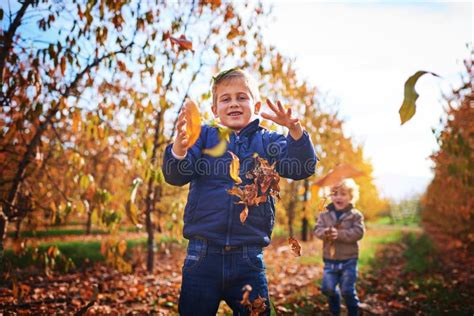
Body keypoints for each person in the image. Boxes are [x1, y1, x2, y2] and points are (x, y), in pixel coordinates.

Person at [162, 68, 317, 315]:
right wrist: (178, 152)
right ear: (215, 110)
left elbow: (303, 168)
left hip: (248, 258)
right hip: (202, 255)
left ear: (255, 105)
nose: (234, 104)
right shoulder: (202, 137)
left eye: (241, 97)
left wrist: (296, 133)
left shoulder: (268, 141)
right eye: (226, 99)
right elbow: (176, 176)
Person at [314, 178, 365, 316]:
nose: (338, 197)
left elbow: (359, 232)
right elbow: (317, 230)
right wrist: (325, 233)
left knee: (347, 290)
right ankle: (335, 310)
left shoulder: (355, 215)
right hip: (330, 260)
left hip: (349, 259)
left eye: (343, 194)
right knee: (327, 288)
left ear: (351, 197)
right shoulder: (324, 215)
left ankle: (353, 311)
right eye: (335, 194)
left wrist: (340, 234)